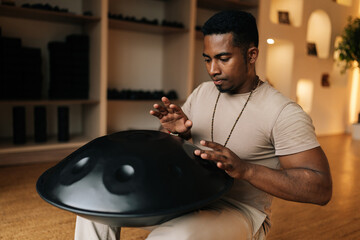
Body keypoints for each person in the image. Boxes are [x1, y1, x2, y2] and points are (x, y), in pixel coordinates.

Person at [74, 10, 332, 240]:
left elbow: (321, 189)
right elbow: (172, 155)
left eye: (223, 58)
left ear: (251, 54)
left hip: (239, 212)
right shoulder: (203, 93)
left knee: (172, 237)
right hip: (187, 195)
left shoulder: (283, 112)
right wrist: (176, 134)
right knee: (93, 210)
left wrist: (246, 170)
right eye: (207, 59)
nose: (212, 69)